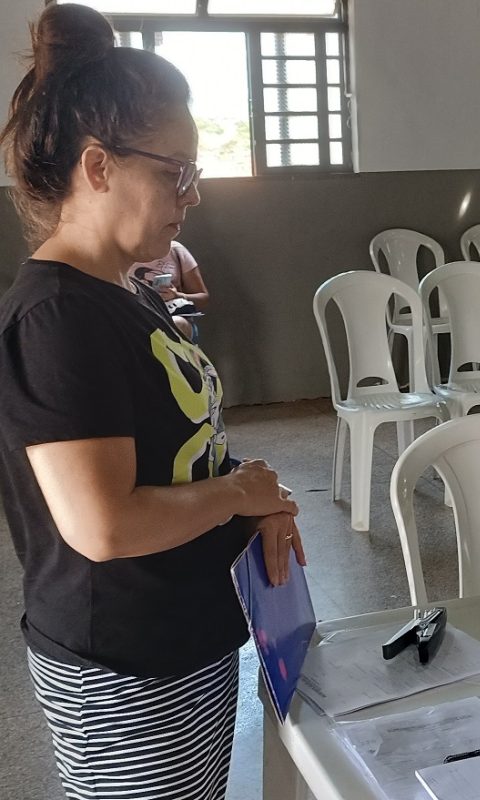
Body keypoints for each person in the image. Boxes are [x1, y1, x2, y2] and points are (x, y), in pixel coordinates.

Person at [0, 5, 304, 799]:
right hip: (123, 669)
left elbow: (180, 452)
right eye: (176, 171)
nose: (191, 195)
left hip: (185, 636)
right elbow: (105, 523)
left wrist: (253, 495)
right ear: (98, 167)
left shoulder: (126, 292)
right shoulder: (57, 317)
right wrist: (236, 493)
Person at [133, 239, 209, 339]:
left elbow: (203, 299)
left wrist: (177, 295)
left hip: (174, 318)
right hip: (137, 318)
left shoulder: (176, 250)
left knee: (176, 324)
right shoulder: (118, 253)